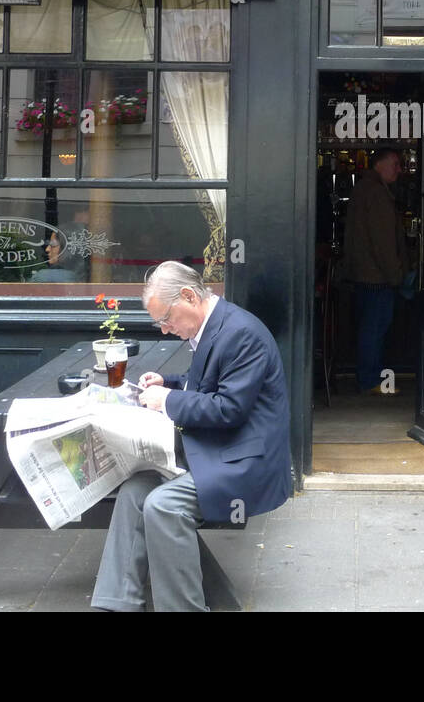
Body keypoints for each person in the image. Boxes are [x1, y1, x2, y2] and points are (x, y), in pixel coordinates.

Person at [91, 261, 291, 612]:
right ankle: (115, 604)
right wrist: (167, 383)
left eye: (166, 319)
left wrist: (167, 400)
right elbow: (208, 384)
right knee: (135, 490)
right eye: (159, 323)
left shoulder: (241, 332)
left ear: (188, 296)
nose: (166, 330)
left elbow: (229, 408)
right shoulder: (214, 324)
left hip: (244, 460)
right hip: (218, 447)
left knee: (164, 506)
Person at [343, 148, 409, 393]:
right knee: (375, 329)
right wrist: (396, 276)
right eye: (395, 163)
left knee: (370, 327)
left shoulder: (364, 189)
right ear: (379, 165)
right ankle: (370, 380)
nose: (399, 169)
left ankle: (370, 378)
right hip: (377, 277)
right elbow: (383, 243)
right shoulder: (377, 194)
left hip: (365, 274)